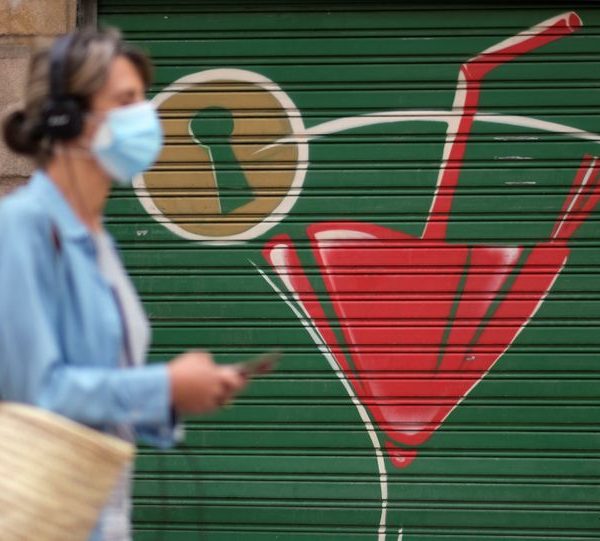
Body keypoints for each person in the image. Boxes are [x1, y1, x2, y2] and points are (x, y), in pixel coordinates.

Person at [0, 27, 246, 540]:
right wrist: (164, 386)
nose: (147, 115)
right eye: (127, 99)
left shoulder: (97, 239)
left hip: (101, 518)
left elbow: (102, 395)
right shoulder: (21, 229)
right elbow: (35, 394)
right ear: (70, 119)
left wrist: (175, 398)